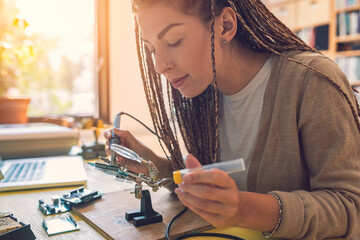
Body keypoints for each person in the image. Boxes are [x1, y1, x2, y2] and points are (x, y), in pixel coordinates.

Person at [104, 0, 360, 239]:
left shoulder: (311, 81)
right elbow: (210, 189)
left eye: (174, 41)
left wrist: (244, 209)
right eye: (151, 49)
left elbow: (351, 206)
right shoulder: (202, 94)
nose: (159, 65)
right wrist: (153, 165)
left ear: (225, 25)